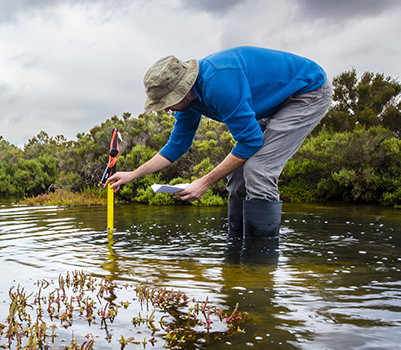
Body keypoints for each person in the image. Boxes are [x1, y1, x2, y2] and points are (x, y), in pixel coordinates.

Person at [107, 46, 332, 249]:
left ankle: (260, 259)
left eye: (168, 102)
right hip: (272, 103)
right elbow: (177, 145)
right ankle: (236, 250)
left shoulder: (219, 83)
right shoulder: (187, 104)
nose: (167, 110)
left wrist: (204, 183)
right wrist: (133, 175)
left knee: (258, 168)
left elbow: (251, 141)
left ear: (183, 90)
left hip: (305, 92)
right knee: (236, 173)